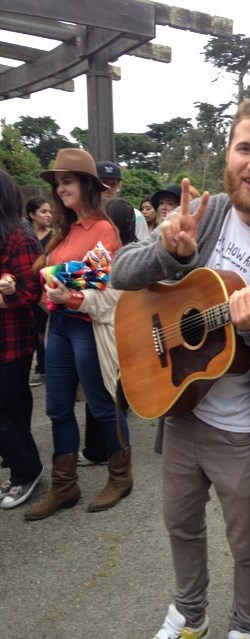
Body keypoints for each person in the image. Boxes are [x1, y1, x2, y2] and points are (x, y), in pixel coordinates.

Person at [111, 96, 250, 639]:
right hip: (181, 410)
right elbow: (120, 275)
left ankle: (246, 627)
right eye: (244, 147)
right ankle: (189, 613)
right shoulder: (205, 212)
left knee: (249, 546)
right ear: (228, 153)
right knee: (180, 525)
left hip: (243, 432)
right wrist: (170, 256)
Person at [25, 148, 132, 521]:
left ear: (87, 185)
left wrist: (69, 296)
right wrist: (49, 291)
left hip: (87, 328)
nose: (61, 189)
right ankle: (64, 485)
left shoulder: (103, 230)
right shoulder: (64, 230)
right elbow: (50, 280)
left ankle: (121, 476)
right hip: (60, 326)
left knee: (102, 405)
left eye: (67, 181)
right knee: (57, 408)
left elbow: (109, 293)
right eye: (58, 184)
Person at [79, 197, 137, 467]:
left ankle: (100, 451)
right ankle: (109, 448)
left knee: (100, 394)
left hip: (106, 324)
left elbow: (98, 295)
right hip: (130, 324)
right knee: (111, 388)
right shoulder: (136, 249)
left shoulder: (105, 252)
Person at [0, 169, 44, 509]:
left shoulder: (20, 236)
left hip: (13, 339)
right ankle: (21, 459)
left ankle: (26, 470)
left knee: (6, 405)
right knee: (13, 404)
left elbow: (31, 293)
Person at [25, 197, 54, 386]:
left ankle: (44, 369)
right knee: (35, 331)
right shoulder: (25, 235)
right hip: (28, 290)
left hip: (47, 290)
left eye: (50, 211)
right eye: (43, 211)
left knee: (46, 332)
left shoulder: (54, 236)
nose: (48, 215)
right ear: (31, 214)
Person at [96, 160, 149, 240]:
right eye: (103, 182)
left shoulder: (136, 215)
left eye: (113, 183)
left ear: (119, 186)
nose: (108, 187)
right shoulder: (85, 214)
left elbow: (143, 246)